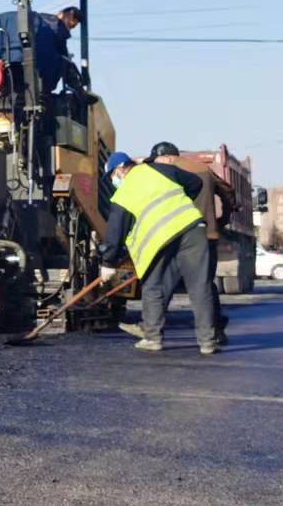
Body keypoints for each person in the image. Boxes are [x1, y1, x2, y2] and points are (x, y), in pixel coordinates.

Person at [98, 150, 219, 355]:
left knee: (153, 286)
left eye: (111, 176)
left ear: (119, 170)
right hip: (192, 229)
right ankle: (208, 342)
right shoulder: (160, 169)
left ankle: (153, 338)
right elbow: (195, 183)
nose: (112, 181)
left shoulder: (123, 193)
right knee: (200, 286)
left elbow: (115, 230)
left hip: (159, 240)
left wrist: (108, 263)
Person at [144, 141, 236, 344]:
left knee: (162, 282)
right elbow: (228, 191)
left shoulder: (163, 172)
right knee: (204, 285)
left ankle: (151, 331)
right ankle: (214, 332)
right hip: (205, 234)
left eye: (156, 159)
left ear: (166, 157)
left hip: (171, 234)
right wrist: (222, 219)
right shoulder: (202, 169)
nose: (155, 163)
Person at [0, 5, 83, 94]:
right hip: (36, 75)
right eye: (71, 26)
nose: (69, 29)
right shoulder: (56, 28)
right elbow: (62, 59)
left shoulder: (2, 18)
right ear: (67, 15)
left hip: (1, 73)